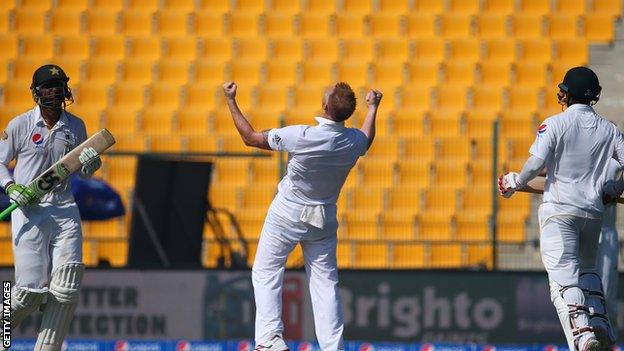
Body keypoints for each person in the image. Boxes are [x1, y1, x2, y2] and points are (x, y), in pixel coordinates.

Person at [222, 81, 382, 351]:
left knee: (266, 271)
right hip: (324, 217)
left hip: (287, 212)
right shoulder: (352, 140)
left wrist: (230, 100)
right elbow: (367, 139)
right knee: (325, 283)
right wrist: (373, 108)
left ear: (325, 106)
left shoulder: (303, 135)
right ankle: (333, 347)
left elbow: (250, 138)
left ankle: (271, 340)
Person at [498, 66, 624, 351]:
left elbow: (534, 165)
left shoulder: (555, 124)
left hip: (559, 211)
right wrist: (616, 189)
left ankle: (583, 335)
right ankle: (601, 322)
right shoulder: (610, 130)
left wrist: (516, 180)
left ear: (569, 93)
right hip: (592, 213)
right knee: (588, 270)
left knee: (562, 279)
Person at [0, 64, 102, 351]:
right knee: (28, 294)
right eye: (47, 86)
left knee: (67, 286)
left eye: (58, 86)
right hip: (28, 210)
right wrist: (10, 186)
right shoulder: (20, 124)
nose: (54, 91)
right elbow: (0, 162)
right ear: (36, 92)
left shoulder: (76, 125)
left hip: (64, 207)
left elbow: (82, 170)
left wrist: (91, 165)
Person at [598, 158, 621, 330]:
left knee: (606, 294)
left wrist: (619, 186)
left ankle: (608, 338)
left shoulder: (615, 151)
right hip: (583, 228)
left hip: (606, 234)